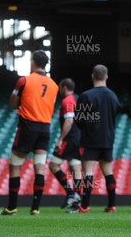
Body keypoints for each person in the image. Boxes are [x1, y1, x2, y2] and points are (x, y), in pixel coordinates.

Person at [0, 50, 58, 216]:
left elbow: (13, 104)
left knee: (15, 166)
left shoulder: (24, 80)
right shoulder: (54, 85)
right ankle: (35, 208)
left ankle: (11, 207)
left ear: (33, 62)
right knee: (40, 167)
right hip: (45, 128)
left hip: (28, 126)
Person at [68, 65, 119, 214]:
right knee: (108, 171)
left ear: (92, 76)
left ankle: (85, 206)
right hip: (108, 139)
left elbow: (78, 120)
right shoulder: (113, 96)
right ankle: (112, 205)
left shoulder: (86, 95)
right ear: (107, 77)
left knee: (88, 172)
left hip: (90, 139)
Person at [48, 78, 82, 209]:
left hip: (70, 138)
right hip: (79, 138)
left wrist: (61, 139)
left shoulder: (67, 100)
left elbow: (69, 120)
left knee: (53, 165)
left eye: (60, 87)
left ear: (64, 87)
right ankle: (77, 201)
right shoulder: (78, 99)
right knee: (75, 167)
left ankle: (71, 193)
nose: (59, 90)